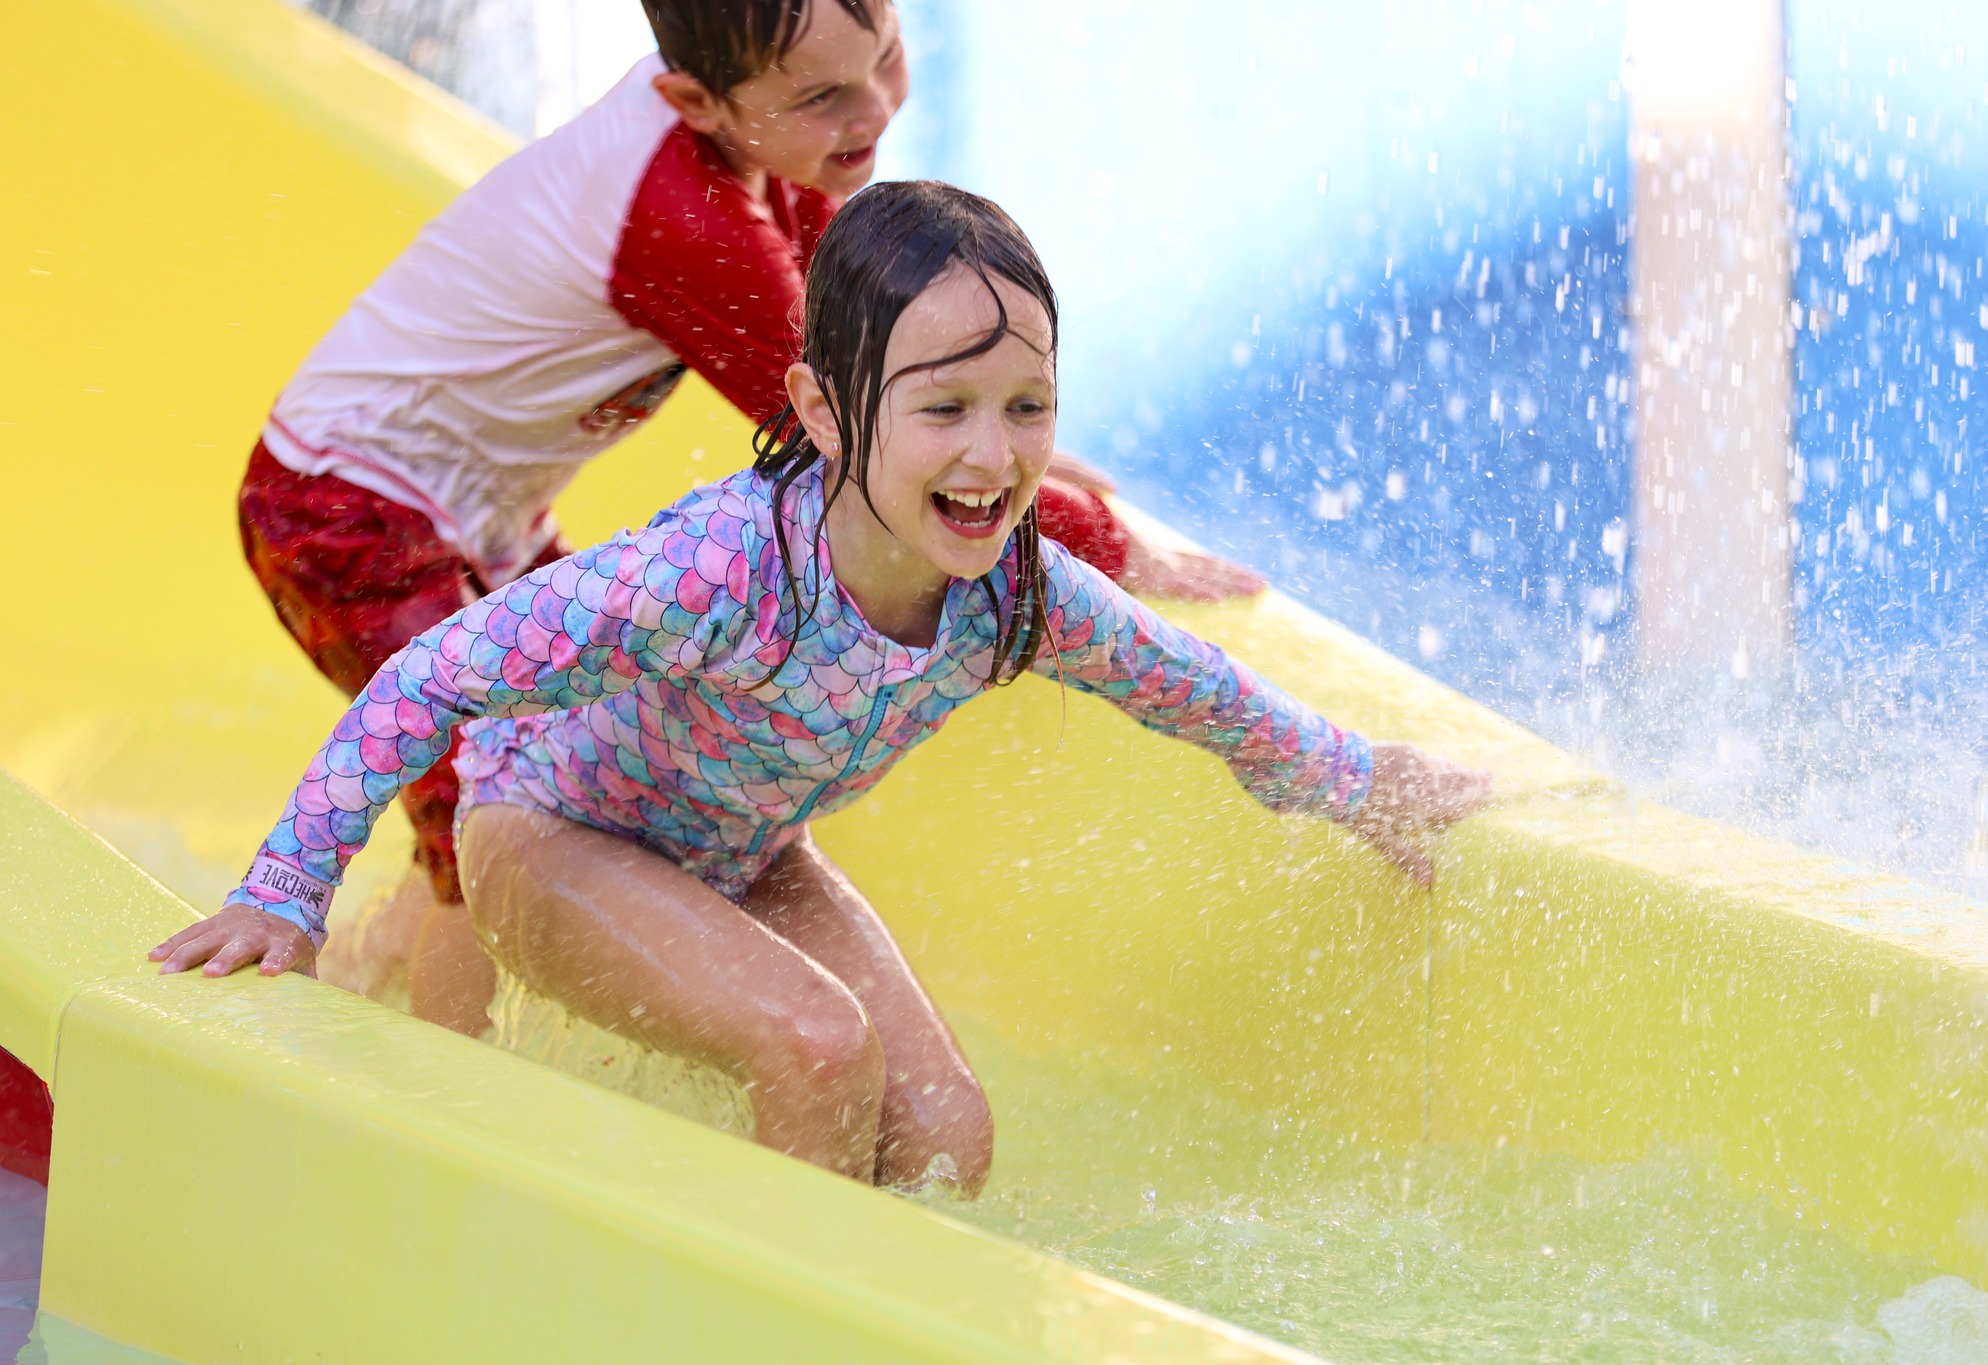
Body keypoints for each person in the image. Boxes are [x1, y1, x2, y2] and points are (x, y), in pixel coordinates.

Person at [163, 182, 1487, 1193]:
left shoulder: (1013, 592)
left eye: (1028, 406)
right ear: (829, 408)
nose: (993, 453)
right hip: (553, 830)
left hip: (739, 850)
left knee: (947, 1145)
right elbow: (434, 674)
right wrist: (286, 889)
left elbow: (1196, 692)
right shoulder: (716, 572)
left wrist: (1366, 788)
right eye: (945, 406)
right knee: (815, 1043)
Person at [241, 0, 1264, 1034]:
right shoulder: (677, 217)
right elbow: (862, 435)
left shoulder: (762, 124)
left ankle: (373, 979)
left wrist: (994, 419)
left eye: (890, 57)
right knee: (471, 806)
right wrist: (1102, 540)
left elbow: (862, 336)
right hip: (346, 508)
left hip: (475, 511)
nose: (872, 109)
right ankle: (431, 1094)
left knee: (526, 758)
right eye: (825, 95)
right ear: (693, 99)